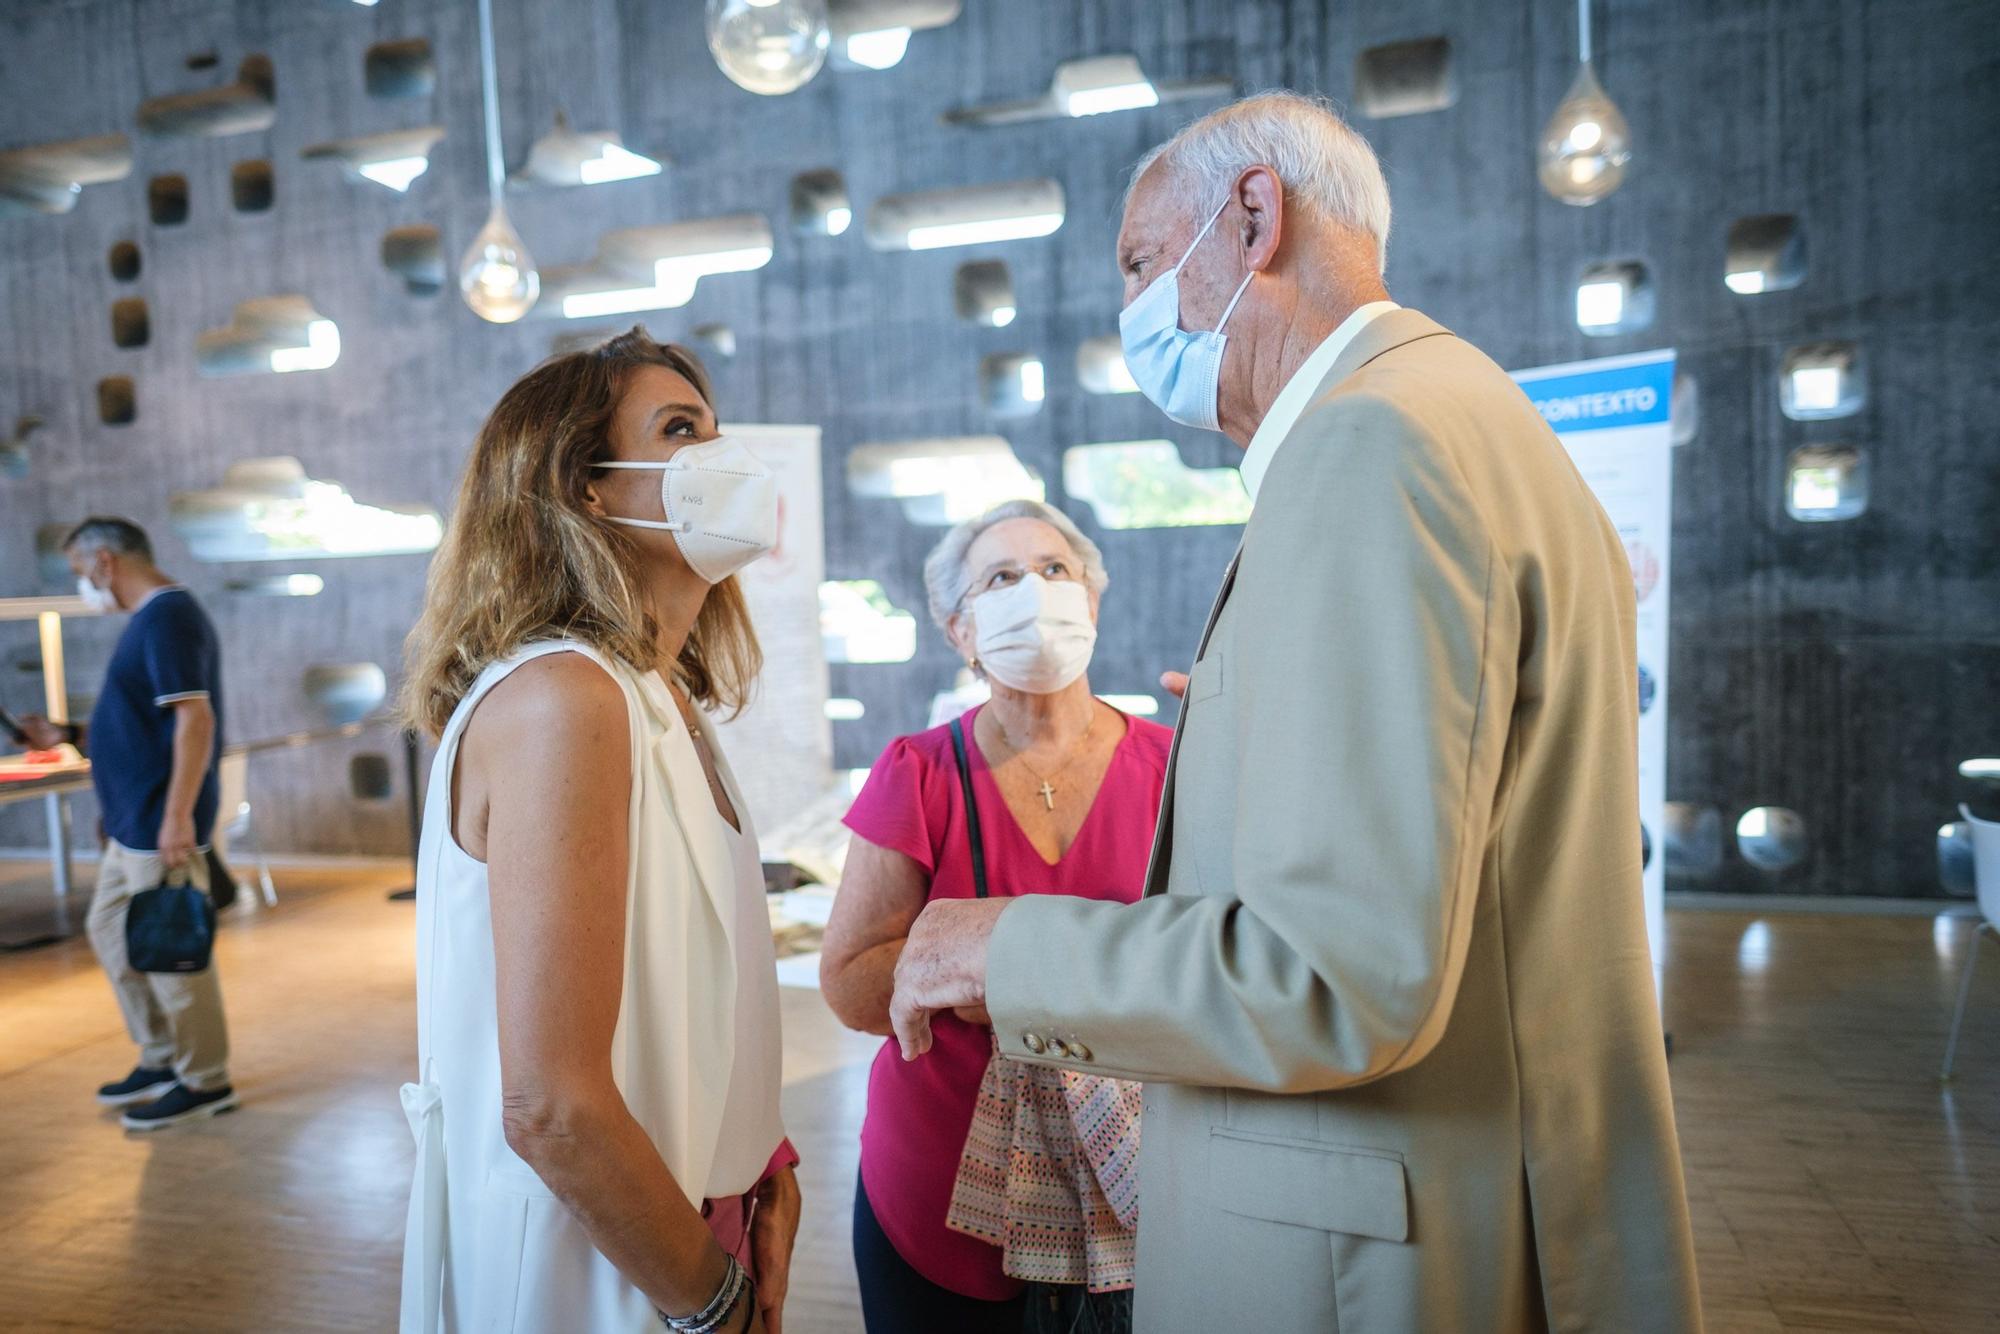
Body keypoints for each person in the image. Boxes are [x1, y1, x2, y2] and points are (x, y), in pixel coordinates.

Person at [888, 92, 1705, 1332]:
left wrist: (998, 946)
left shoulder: (1368, 444)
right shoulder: (1466, 413)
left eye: (1140, 262)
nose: (1130, 314)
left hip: (1351, 1255)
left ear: (1254, 214)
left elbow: (1335, 970)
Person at [397, 329, 799, 1334]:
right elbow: (554, 1108)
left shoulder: (655, 689)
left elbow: (701, 971)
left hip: (687, 1218)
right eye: (679, 430)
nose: (723, 459)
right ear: (586, 487)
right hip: (607, 1259)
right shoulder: (562, 696)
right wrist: (713, 1301)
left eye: (714, 428)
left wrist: (760, 1155)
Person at [820, 499, 1170, 1333]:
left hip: (1137, 1178)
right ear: (960, 630)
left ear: (1092, 601)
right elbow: (853, 983)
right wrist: (1067, 975)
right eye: (1001, 578)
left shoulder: (1175, 765)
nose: (1035, 592)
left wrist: (995, 964)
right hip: (935, 1189)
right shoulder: (919, 772)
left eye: (1056, 571)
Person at [20, 516, 235, 1131]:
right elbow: (142, 726)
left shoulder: (168, 616)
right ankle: (163, 1056)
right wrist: (67, 736)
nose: (84, 584)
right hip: (130, 823)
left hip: (156, 825)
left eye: (81, 571)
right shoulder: (149, 622)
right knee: (112, 931)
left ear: (106, 560)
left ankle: (205, 1079)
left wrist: (176, 819)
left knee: (171, 953)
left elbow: (195, 721)